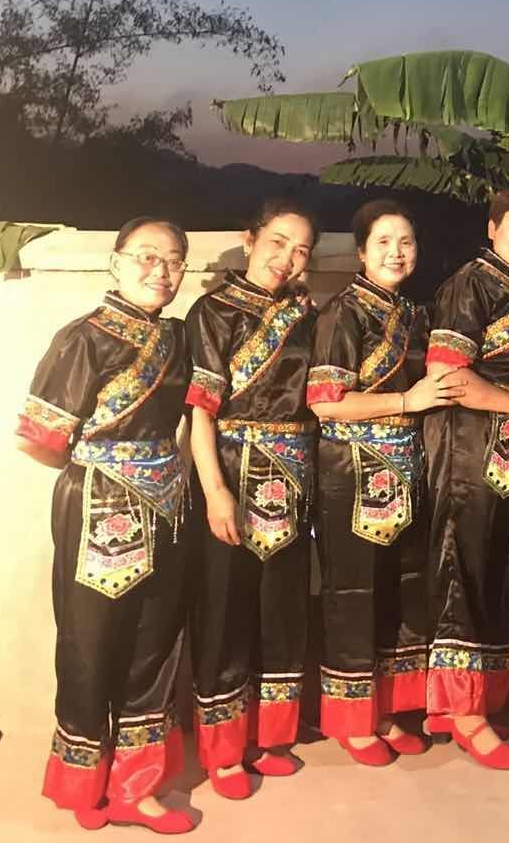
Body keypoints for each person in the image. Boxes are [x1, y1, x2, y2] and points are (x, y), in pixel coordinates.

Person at [18, 217, 196, 833]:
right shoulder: (83, 339)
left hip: (168, 507)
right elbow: (40, 440)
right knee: (91, 646)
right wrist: (104, 472)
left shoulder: (177, 339)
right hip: (97, 508)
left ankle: (134, 790)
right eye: (146, 256)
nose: (160, 270)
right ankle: (83, 783)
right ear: (116, 263)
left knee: (154, 646)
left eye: (173, 260)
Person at [307, 200, 462, 765]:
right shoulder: (342, 314)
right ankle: (353, 721)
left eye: (406, 241)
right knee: (354, 594)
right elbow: (325, 403)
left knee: (402, 591)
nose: (397, 252)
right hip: (352, 472)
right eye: (384, 242)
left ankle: (390, 709)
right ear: (361, 251)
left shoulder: (416, 315)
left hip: (407, 469)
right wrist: (406, 402)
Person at [423, 186, 509, 770]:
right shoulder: (470, 283)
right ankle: (463, 713)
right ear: (492, 227)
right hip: (469, 444)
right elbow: (447, 375)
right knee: (468, 568)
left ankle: (485, 700)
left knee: (504, 569)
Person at [185, 199, 318, 799]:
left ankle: (271, 737)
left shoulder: (305, 315)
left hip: (291, 481)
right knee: (225, 612)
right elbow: (200, 413)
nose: (287, 258)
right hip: (233, 473)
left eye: (301, 250)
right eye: (278, 242)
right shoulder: (212, 312)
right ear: (249, 239)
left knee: (281, 610)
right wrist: (216, 493)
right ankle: (223, 751)